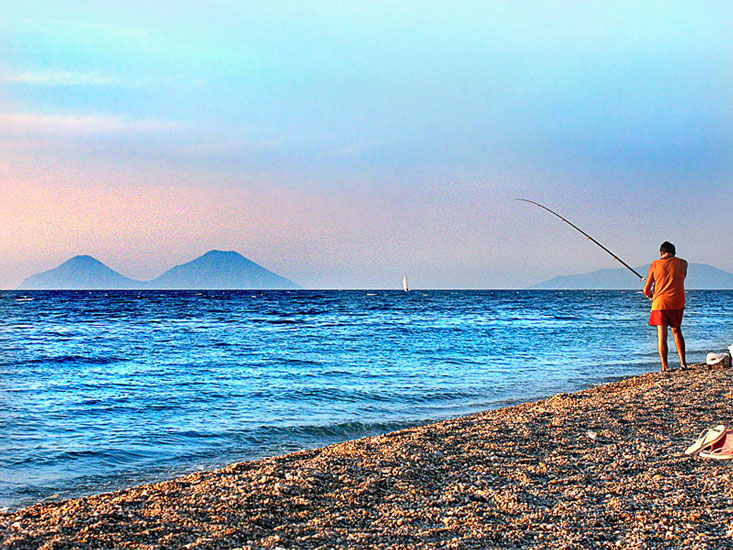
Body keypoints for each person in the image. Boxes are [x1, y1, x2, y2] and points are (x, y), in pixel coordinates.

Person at [643, 241, 688, 371]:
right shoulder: (683, 263)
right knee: (677, 331)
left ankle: (665, 366)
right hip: (677, 302)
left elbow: (646, 290)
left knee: (662, 334)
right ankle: (683, 364)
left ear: (661, 253)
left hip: (660, 303)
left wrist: (651, 294)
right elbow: (681, 277)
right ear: (674, 253)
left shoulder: (655, 265)